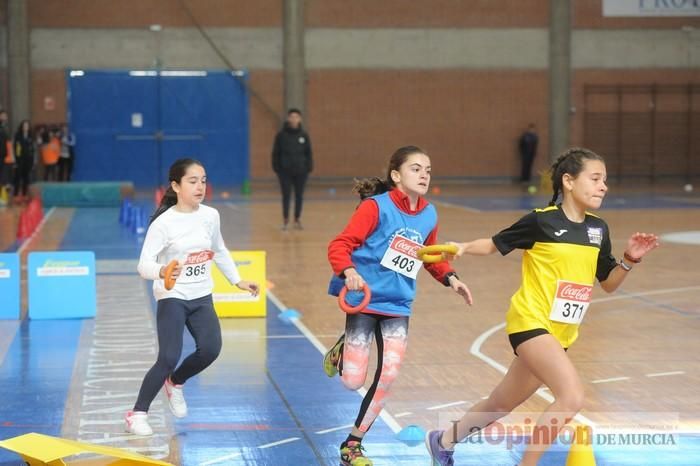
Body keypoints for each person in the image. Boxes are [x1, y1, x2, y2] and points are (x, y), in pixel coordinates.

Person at [425, 147, 659, 466]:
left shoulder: (598, 229)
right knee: (571, 397)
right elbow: (495, 244)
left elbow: (608, 282)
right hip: (530, 322)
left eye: (605, 180)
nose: (603, 186)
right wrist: (463, 247)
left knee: (500, 402)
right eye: (595, 178)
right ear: (568, 181)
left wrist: (630, 259)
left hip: (560, 334)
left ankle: (443, 440)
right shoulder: (541, 221)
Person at [324, 145, 473, 466]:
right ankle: (342, 346)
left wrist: (451, 278)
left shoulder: (430, 213)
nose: (424, 175)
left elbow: (430, 255)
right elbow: (340, 244)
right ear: (396, 176)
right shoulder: (375, 207)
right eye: (416, 169)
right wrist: (348, 271)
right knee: (352, 382)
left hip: (398, 305)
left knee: (388, 375)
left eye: (428, 170)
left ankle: (353, 445)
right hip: (364, 299)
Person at [125, 158, 260, 436]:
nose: (200, 186)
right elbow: (143, 266)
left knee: (211, 350)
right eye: (192, 181)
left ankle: (175, 383)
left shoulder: (210, 216)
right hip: (172, 296)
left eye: (204, 180)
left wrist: (237, 280)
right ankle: (137, 413)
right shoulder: (163, 224)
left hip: (202, 296)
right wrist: (164, 271)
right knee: (168, 356)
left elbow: (219, 250)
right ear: (175, 185)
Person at [271, 108, 313, 230]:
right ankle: (285, 219)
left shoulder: (304, 135)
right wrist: (277, 168)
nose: (294, 119)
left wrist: (308, 167)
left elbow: (308, 152)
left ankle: (297, 219)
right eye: (292, 117)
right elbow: (275, 153)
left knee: (299, 195)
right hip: (285, 172)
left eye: (296, 117)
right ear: (288, 119)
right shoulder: (281, 135)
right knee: (286, 195)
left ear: (300, 119)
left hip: (301, 171)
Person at [13, 120, 35, 202]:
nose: (26, 127)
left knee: (26, 178)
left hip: (28, 160)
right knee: (18, 178)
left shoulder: (30, 136)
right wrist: (17, 160)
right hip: (20, 160)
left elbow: (32, 149)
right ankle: (15, 196)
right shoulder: (18, 136)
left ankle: (24, 195)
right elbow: (16, 148)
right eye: (24, 125)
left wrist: (32, 161)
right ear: (22, 126)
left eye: (27, 125)